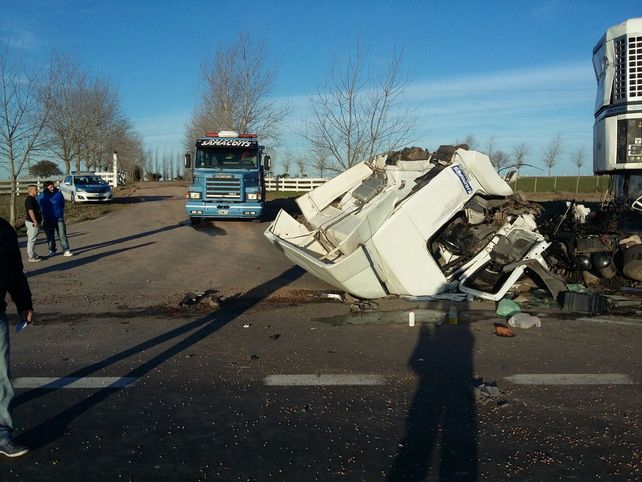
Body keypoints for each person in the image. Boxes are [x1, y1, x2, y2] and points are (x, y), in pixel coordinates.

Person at [0, 216, 32, 457]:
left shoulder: (3, 230)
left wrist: (24, 303)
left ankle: (2, 434)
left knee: (1, 378)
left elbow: (15, 270)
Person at [39, 181, 73, 257]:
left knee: (62, 234)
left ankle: (66, 249)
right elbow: (39, 207)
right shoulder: (41, 196)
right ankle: (52, 250)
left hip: (58, 218)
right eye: (50, 187)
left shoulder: (59, 194)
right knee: (50, 236)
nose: (52, 188)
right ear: (45, 187)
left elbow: (62, 204)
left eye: (53, 186)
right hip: (47, 219)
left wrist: (59, 212)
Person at [24, 184, 42, 262]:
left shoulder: (33, 199)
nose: (37, 190)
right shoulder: (29, 199)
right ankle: (31, 256)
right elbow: (30, 211)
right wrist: (34, 221)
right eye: (35, 189)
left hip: (34, 222)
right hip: (31, 222)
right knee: (31, 239)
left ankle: (33, 253)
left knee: (33, 239)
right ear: (30, 190)